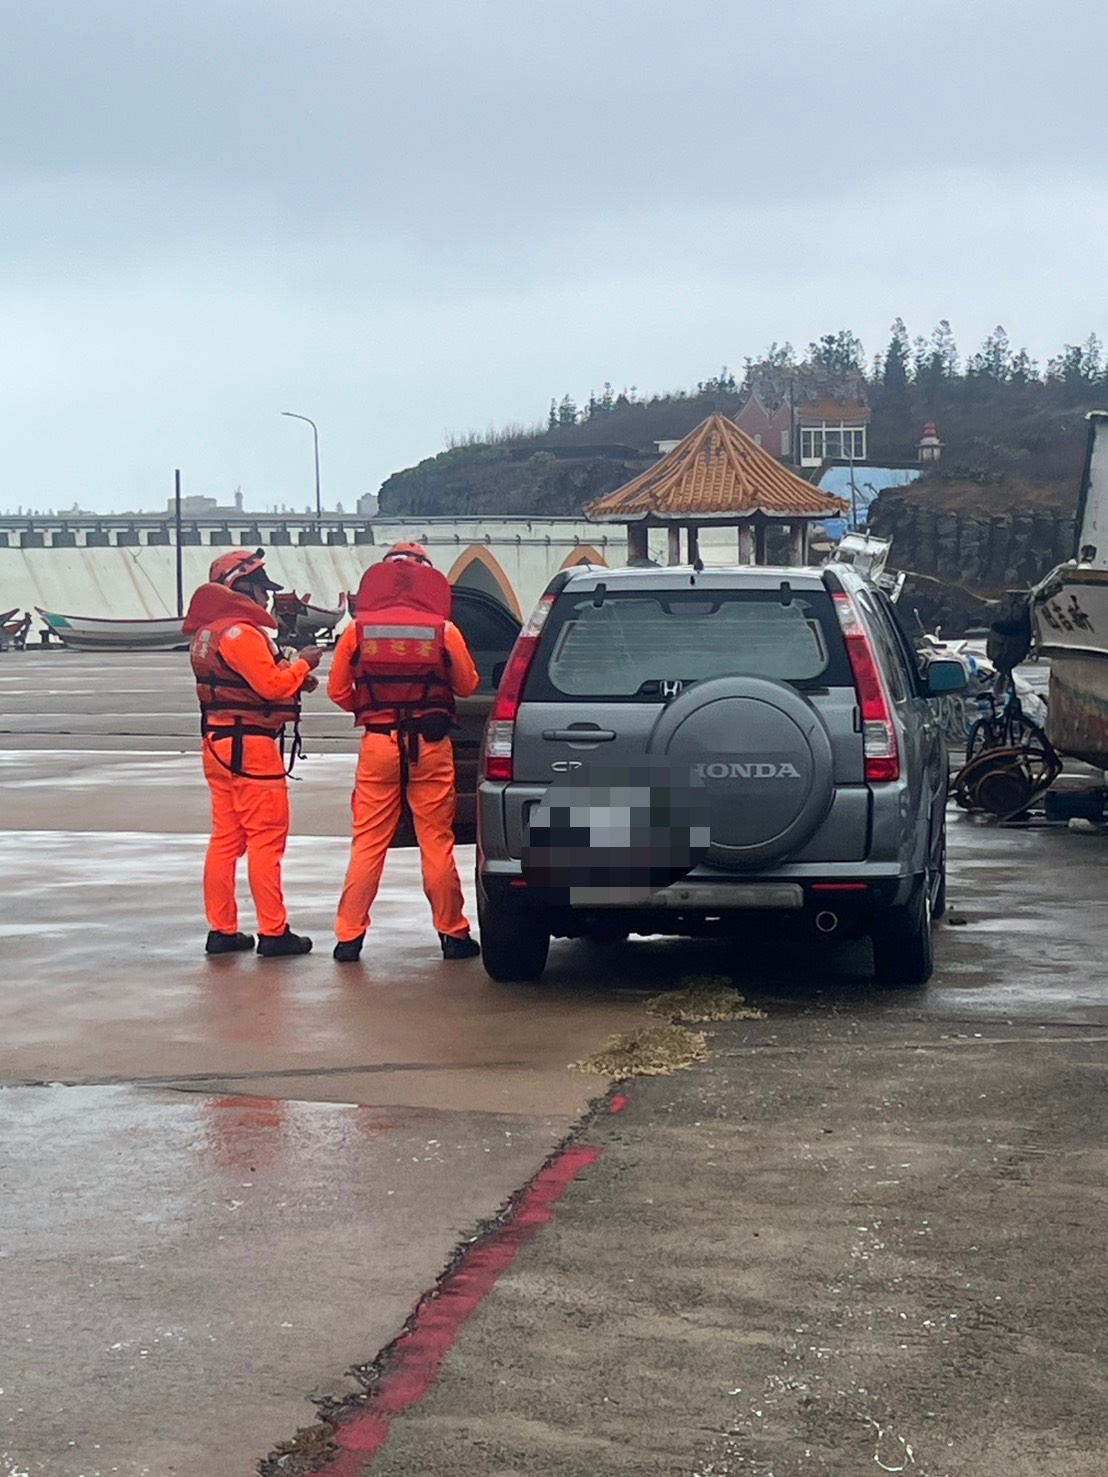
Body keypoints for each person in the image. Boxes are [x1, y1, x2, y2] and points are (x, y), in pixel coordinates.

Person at [328, 542, 481, 963]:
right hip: (430, 747)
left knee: (368, 843)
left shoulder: (355, 630)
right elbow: (468, 686)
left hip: (378, 743)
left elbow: (338, 691)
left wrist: (373, 708)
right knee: (436, 841)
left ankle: (349, 938)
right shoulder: (443, 630)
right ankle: (453, 934)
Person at [182, 548, 322, 957]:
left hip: (218, 744)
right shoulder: (242, 634)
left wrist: (292, 676)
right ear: (242, 589)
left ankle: (222, 929)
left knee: (225, 839)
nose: (266, 599)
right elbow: (272, 688)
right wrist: (303, 667)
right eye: (262, 589)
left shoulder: (208, 634)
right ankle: (274, 932)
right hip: (252, 750)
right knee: (266, 840)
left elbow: (251, 680)